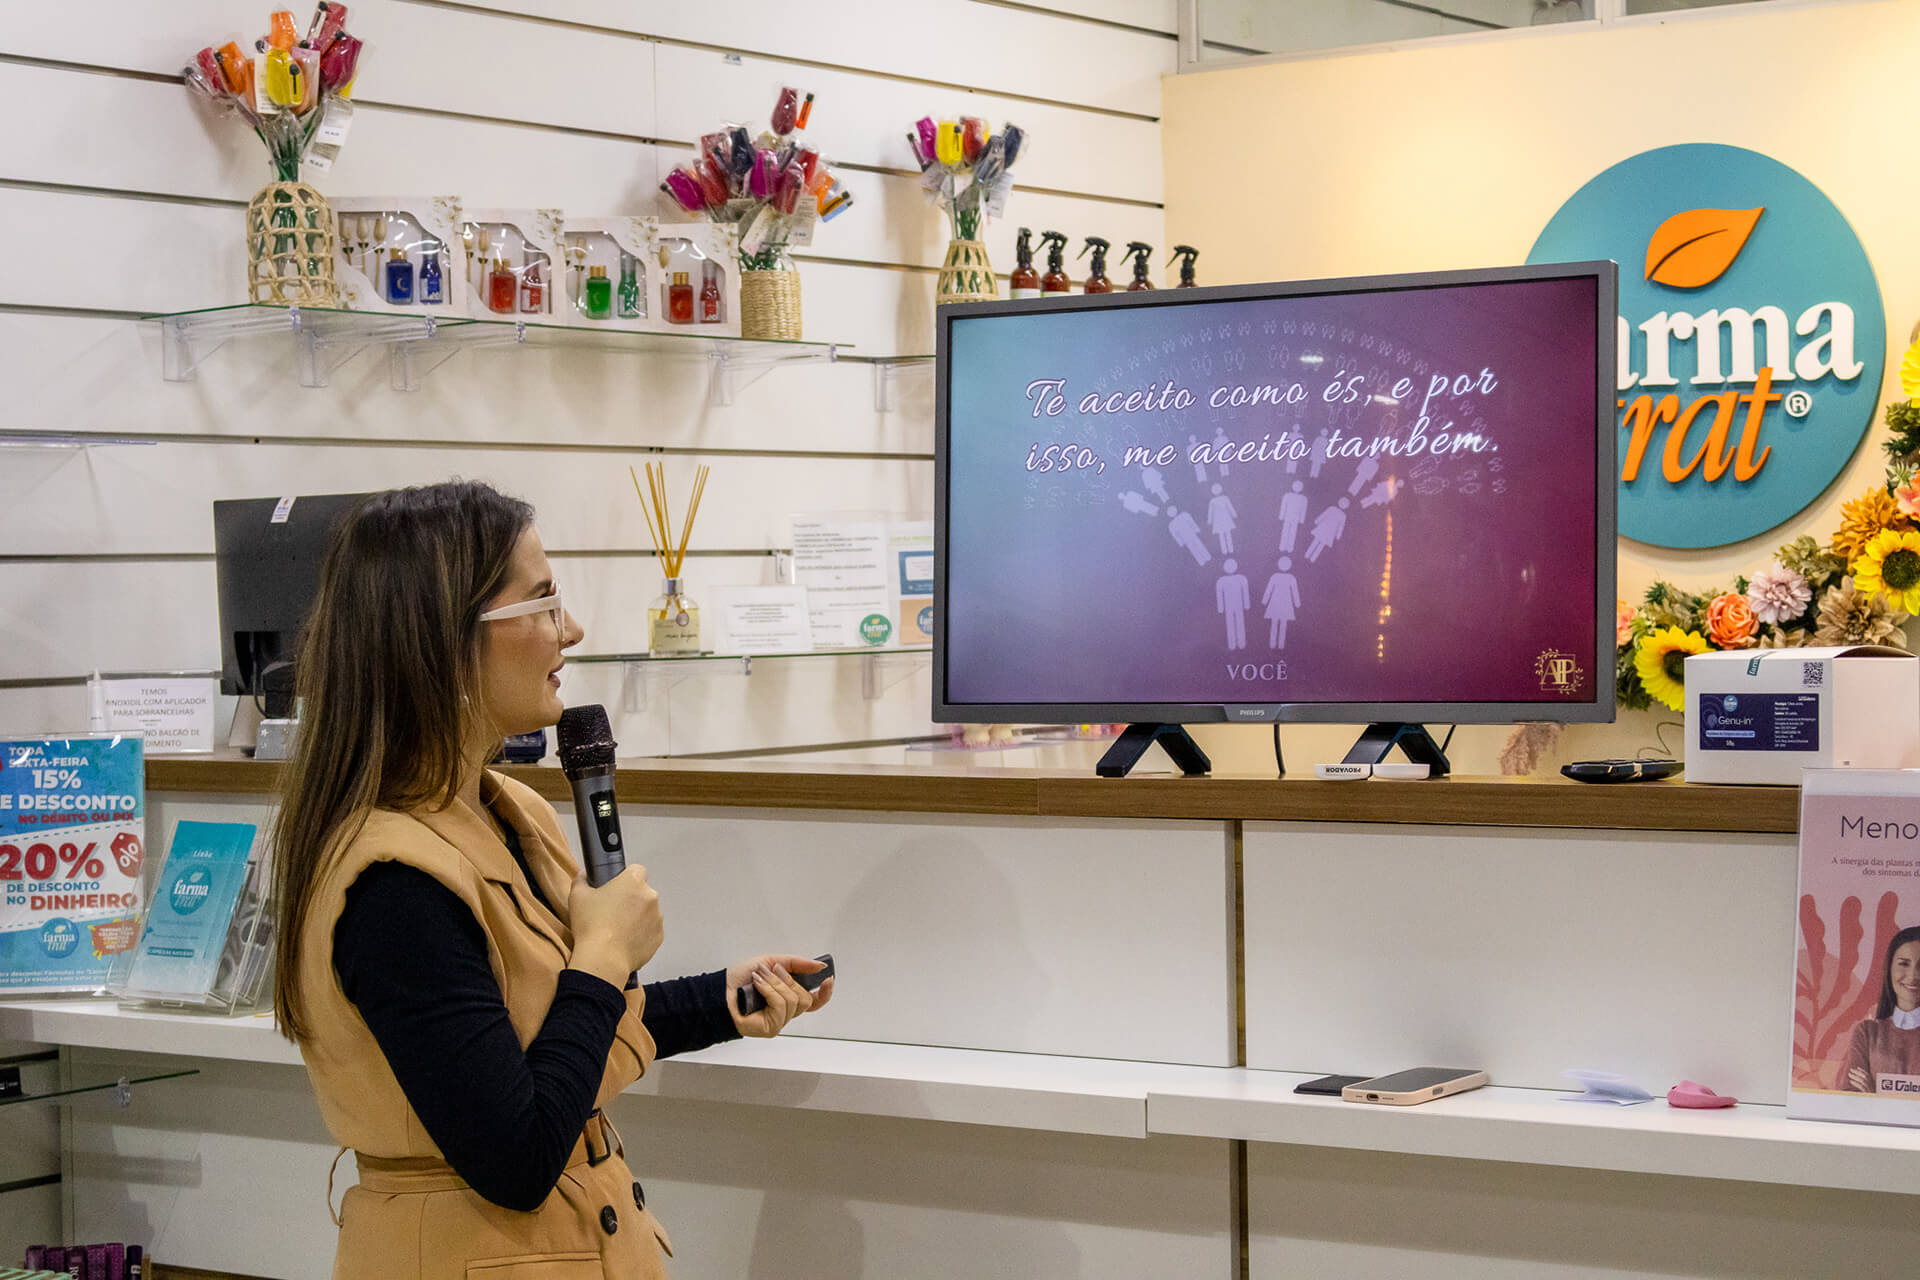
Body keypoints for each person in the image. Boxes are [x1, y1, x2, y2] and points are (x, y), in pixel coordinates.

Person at [269, 481, 833, 1278]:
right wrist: (603, 954)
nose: (571, 629)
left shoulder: (510, 811)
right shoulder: (394, 884)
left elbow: (554, 1033)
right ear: (445, 636)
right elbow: (517, 1153)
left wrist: (720, 1000)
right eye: (543, 603)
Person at [1845, 925, 1920, 1093]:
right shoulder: (1867, 1033)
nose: (1913, 975)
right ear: (1889, 968)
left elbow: (1866, 1097)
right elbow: (1850, 1097)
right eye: (1904, 964)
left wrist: (1875, 1095)